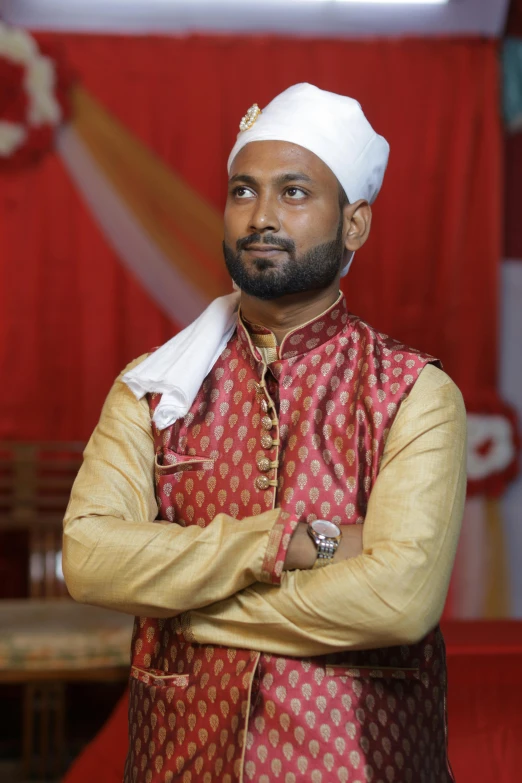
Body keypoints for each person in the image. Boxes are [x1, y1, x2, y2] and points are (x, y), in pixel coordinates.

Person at [63, 83, 466, 783]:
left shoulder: (412, 393)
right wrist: (294, 540)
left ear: (355, 225)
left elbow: (399, 598)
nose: (261, 217)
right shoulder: (156, 389)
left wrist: (187, 610)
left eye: (295, 193)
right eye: (244, 192)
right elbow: (90, 554)